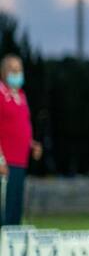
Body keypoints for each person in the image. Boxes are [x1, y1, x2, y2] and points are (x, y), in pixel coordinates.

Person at [0, 54, 42, 226]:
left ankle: (11, 252)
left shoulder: (21, 96)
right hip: (4, 164)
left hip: (20, 162)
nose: (17, 73)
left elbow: (20, 126)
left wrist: (31, 144)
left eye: (19, 70)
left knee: (15, 212)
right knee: (4, 212)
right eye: (13, 70)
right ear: (3, 72)